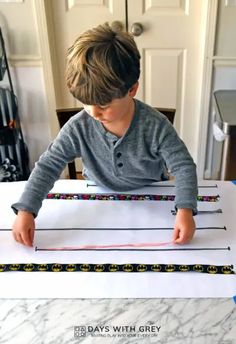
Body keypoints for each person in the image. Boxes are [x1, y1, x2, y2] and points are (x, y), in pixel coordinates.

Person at [12, 23, 198, 248]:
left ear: (132, 89)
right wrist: (27, 209)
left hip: (152, 199)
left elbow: (183, 166)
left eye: (102, 104)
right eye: (85, 103)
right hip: (97, 198)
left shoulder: (156, 125)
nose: (92, 111)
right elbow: (48, 165)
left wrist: (185, 209)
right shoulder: (79, 126)